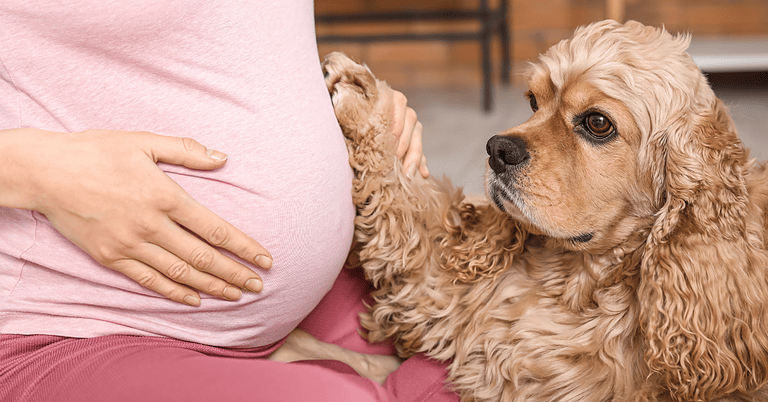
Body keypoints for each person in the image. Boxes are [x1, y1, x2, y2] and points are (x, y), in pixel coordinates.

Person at [0, 1, 457, 401]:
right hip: (74, 323)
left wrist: (322, 108)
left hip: (298, 302)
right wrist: (38, 170)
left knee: (498, 350)